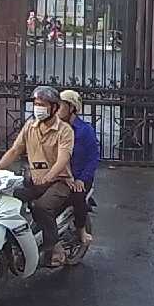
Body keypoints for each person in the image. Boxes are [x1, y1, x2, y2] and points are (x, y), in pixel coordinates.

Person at [0, 85, 74, 267]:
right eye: (36, 104)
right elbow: (15, 150)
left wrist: (48, 176)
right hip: (35, 179)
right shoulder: (30, 126)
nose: (38, 108)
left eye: (42, 104)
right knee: (9, 196)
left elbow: (63, 159)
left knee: (40, 206)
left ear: (54, 108)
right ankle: (17, 239)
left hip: (60, 181)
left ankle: (53, 248)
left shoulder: (65, 131)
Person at [58, 89, 97, 245]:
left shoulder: (85, 131)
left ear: (72, 108)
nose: (57, 109)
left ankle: (81, 230)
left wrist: (81, 179)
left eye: (61, 105)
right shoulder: (56, 128)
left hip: (80, 177)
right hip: (60, 175)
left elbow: (93, 158)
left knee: (78, 195)